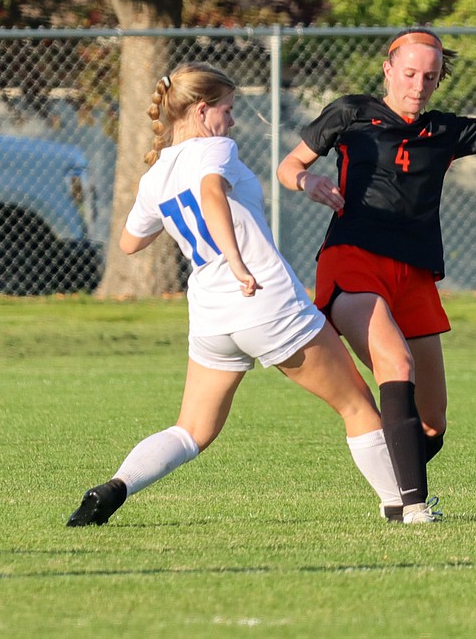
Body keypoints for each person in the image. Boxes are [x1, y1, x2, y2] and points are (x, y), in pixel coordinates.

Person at [278, 0, 476, 522]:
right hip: (353, 262)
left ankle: (393, 489)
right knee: (394, 366)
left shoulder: (441, 130)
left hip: (414, 275)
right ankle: (412, 507)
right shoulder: (350, 113)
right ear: (388, 69)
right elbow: (290, 165)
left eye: (430, 76)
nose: (418, 85)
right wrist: (308, 180)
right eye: (409, 73)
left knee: (431, 425)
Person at [67, 62, 404, 527]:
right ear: (202, 112)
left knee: (191, 431)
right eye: (227, 109)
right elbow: (210, 194)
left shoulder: (155, 175)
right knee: (356, 405)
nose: (231, 120)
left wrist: (167, 213)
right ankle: (404, 510)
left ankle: (115, 487)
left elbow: (129, 242)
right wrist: (239, 261)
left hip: (212, 315)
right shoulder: (215, 148)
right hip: (263, 299)